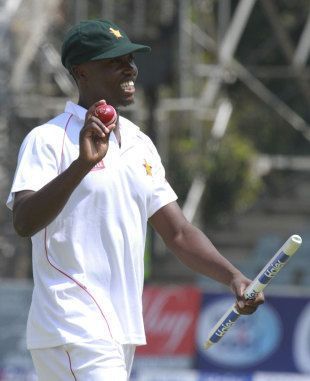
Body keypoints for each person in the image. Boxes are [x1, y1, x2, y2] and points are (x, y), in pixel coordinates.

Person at [7, 19, 264, 381]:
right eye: (114, 61)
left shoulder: (139, 143)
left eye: (130, 58)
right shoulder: (48, 139)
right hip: (72, 323)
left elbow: (177, 233)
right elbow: (24, 221)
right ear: (81, 72)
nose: (129, 68)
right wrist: (82, 165)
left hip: (119, 329)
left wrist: (234, 277)